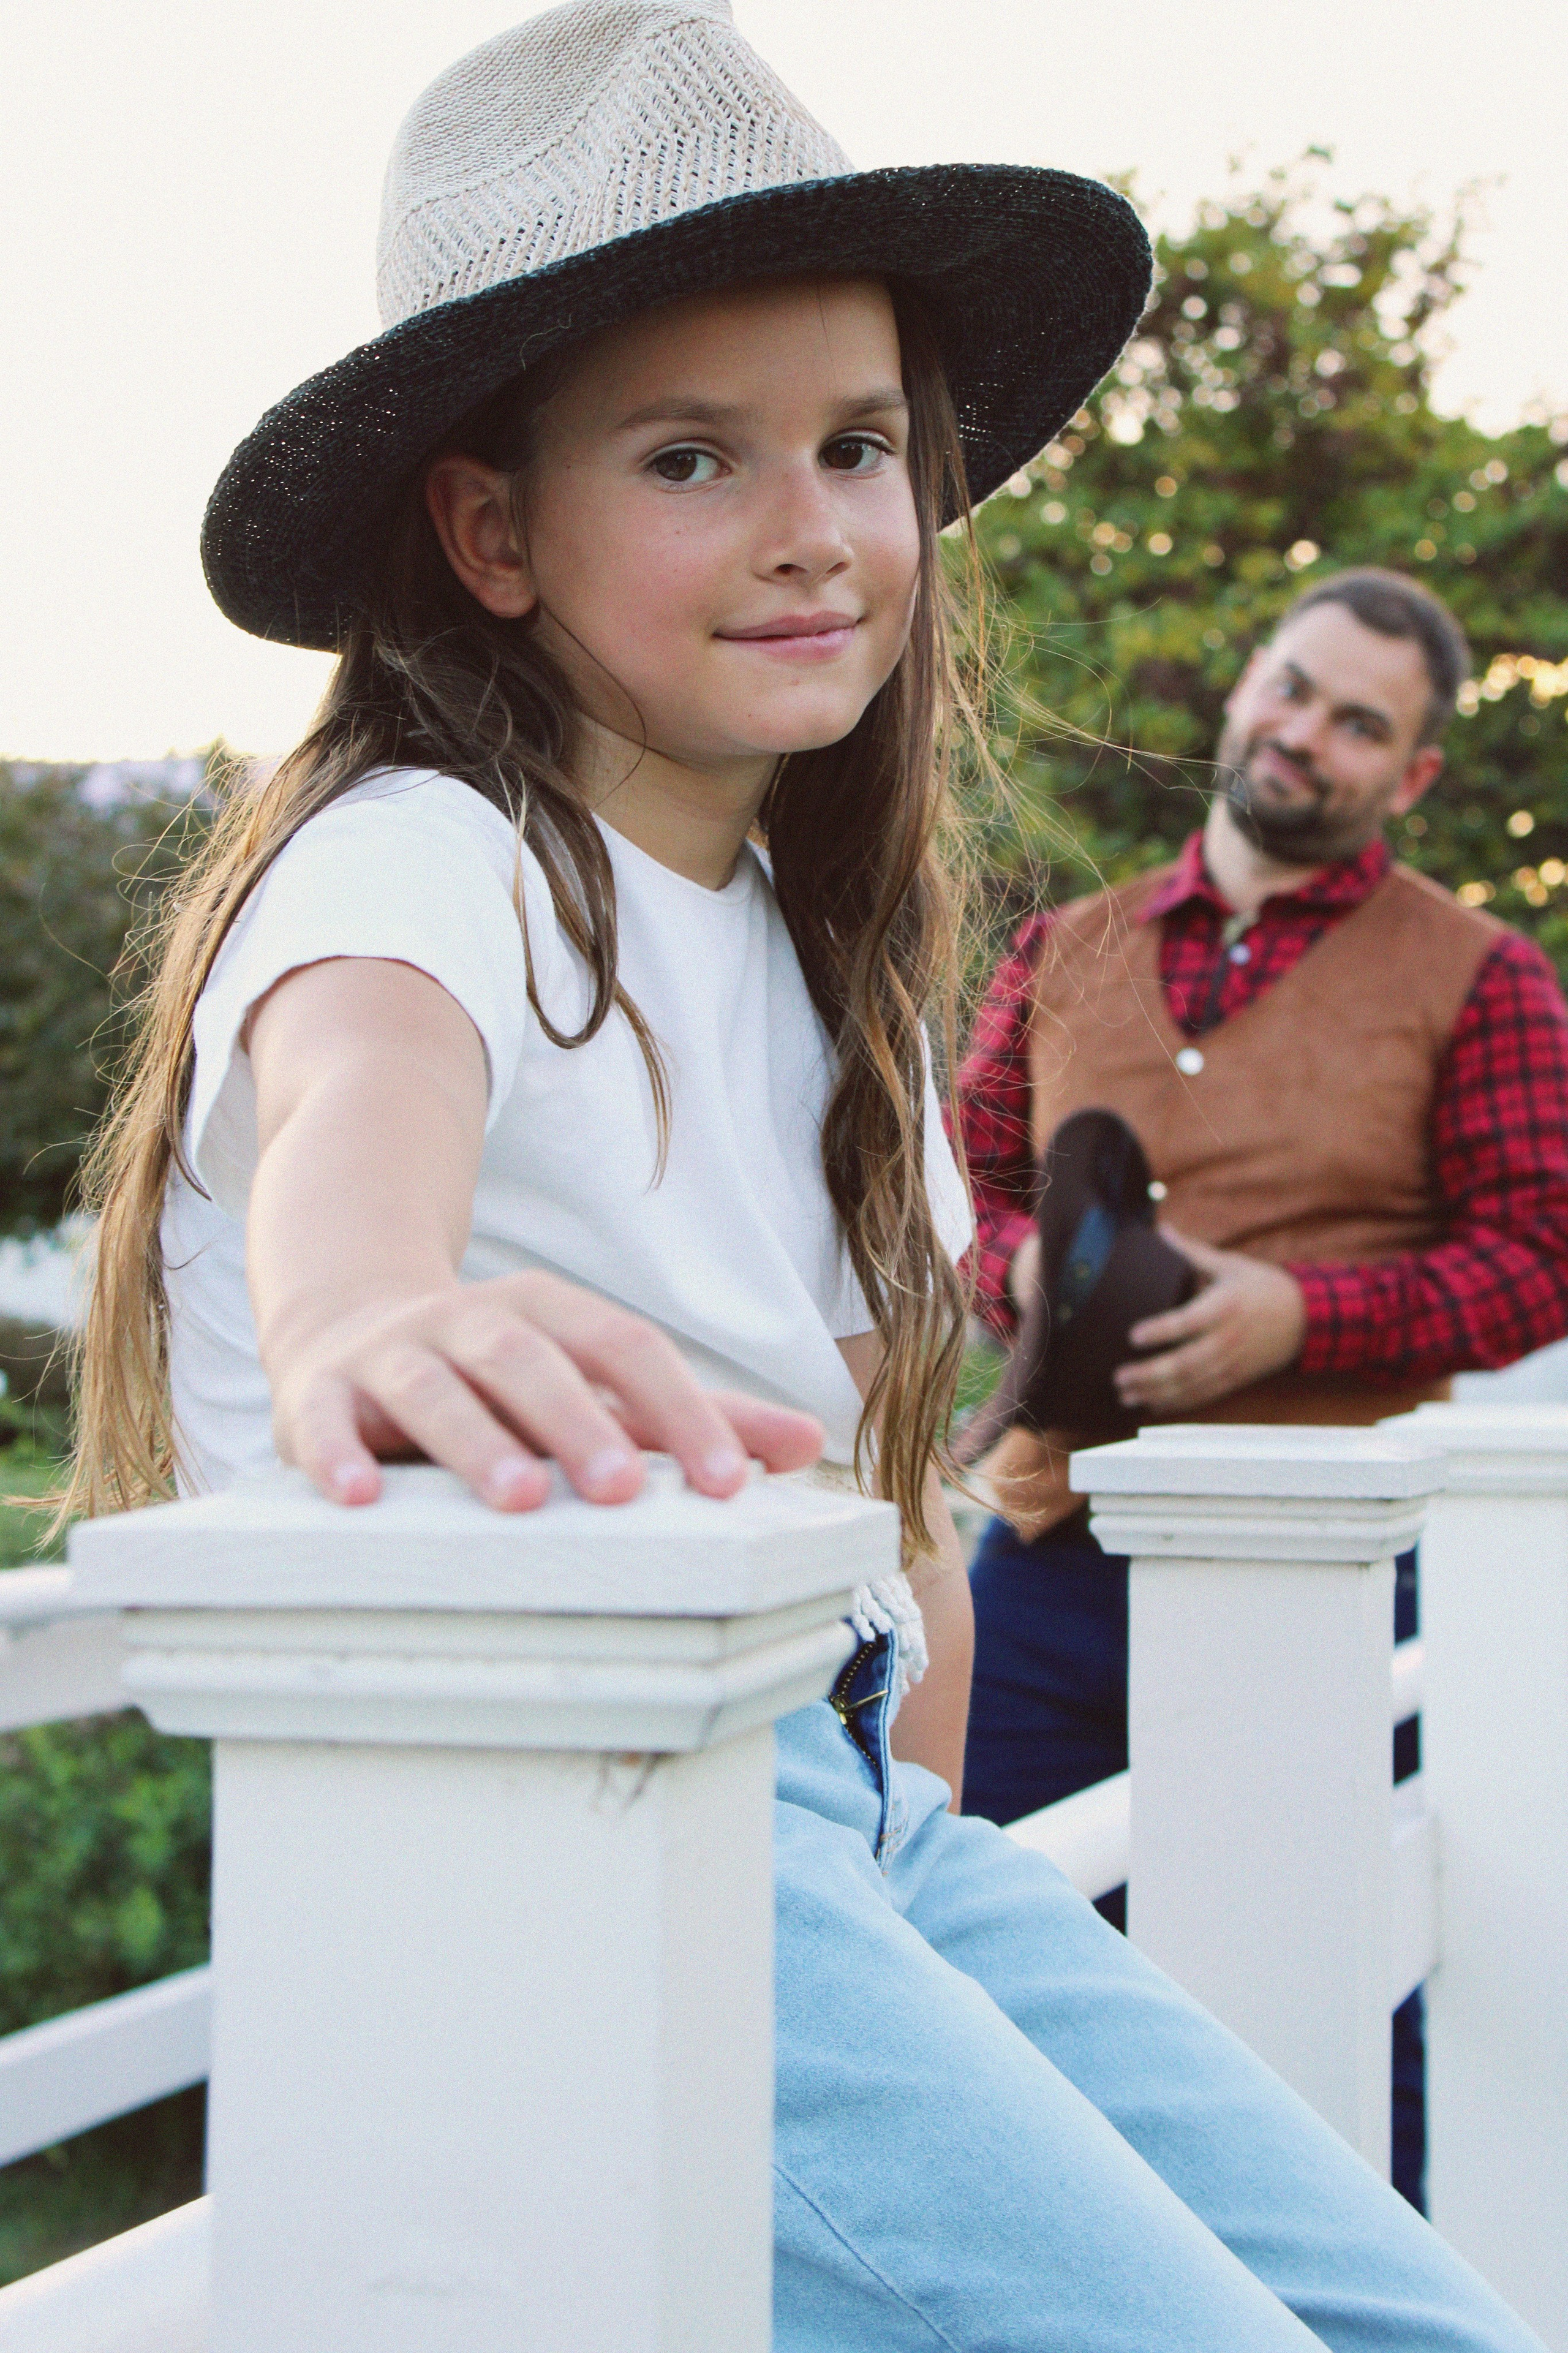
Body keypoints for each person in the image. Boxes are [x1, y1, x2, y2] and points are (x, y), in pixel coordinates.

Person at [67, 9, 1545, 2346]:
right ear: (489, 530)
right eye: (691, 455)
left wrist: (910, 1826)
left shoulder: (800, 948)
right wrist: (360, 1314)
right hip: (591, 1841)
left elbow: (886, 1476)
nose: (812, 527)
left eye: (859, 445)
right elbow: (357, 1117)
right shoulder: (421, 859)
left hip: (856, 1827)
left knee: (1424, 2317)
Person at [957, 566, 1568, 2211]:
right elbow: (962, 1191)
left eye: (1360, 723)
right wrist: (1017, 1270)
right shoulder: (1062, 948)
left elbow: (1543, 1257)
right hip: (1054, 1552)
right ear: (1245, 689)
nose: (1307, 733)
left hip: (1332, 1573)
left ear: (1412, 774)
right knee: (989, 1978)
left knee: (1336, 2009)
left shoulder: (1483, 974)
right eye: (1294, 688)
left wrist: (1303, 1317)